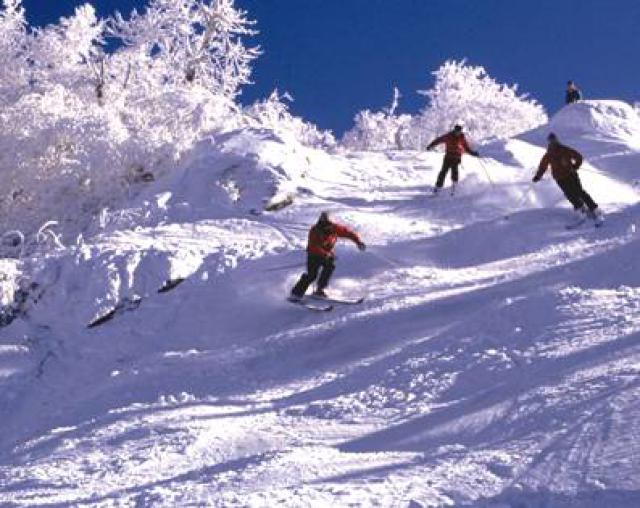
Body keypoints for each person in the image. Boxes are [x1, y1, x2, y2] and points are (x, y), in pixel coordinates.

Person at [289, 212, 366, 300]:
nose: (328, 228)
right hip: (313, 254)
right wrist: (326, 254)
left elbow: (348, 233)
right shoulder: (315, 230)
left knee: (330, 267)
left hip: (326, 255)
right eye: (325, 225)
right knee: (312, 275)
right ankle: (296, 294)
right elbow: (314, 246)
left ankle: (319, 290)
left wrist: (358, 242)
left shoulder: (334, 228)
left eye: (329, 225)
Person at [533, 133, 601, 223]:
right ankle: (581, 209)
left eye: (554, 140)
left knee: (579, 191)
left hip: (570, 175)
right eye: (550, 141)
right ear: (549, 142)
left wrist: (575, 166)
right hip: (559, 178)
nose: (552, 142)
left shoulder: (564, 150)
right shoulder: (548, 154)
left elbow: (579, 157)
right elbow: (543, 166)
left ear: (557, 140)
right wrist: (538, 176)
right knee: (569, 194)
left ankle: (594, 209)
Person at [426, 125, 479, 194]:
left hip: (456, 157)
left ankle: (454, 186)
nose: (458, 133)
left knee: (455, 171)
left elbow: (466, 148)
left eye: (459, 131)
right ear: (454, 130)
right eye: (457, 131)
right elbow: (438, 140)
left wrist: (473, 153)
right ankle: (438, 187)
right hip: (448, 157)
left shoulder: (462, 138)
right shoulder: (448, 136)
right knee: (443, 172)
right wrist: (431, 145)